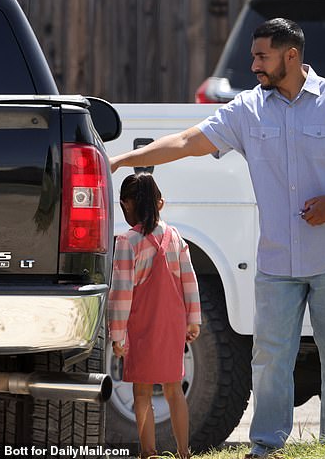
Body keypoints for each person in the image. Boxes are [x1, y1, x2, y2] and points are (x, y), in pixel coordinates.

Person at [109, 18, 325, 458]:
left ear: (291, 56)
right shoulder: (247, 109)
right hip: (278, 261)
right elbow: (186, 141)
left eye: (262, 56)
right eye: (254, 55)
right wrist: (127, 158)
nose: (254, 64)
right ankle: (266, 446)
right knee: (269, 358)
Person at [108, 173, 201, 459]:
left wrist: (118, 335)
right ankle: (184, 452)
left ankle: (149, 452)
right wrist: (193, 319)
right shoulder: (174, 237)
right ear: (160, 202)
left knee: (142, 393)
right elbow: (189, 280)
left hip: (142, 327)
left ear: (127, 205)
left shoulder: (128, 241)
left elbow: (122, 292)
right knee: (175, 390)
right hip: (172, 324)